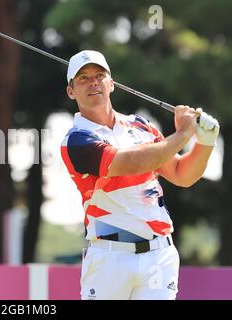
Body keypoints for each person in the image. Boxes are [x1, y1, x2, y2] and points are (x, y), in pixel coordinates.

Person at [60, 50, 220, 300]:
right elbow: (132, 162)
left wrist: (205, 142)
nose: (93, 82)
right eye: (82, 78)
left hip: (159, 255)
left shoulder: (141, 126)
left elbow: (182, 175)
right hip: (109, 257)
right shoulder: (76, 140)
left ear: (111, 84)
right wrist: (182, 135)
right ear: (71, 91)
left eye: (99, 75)